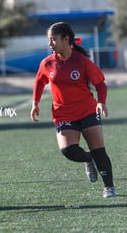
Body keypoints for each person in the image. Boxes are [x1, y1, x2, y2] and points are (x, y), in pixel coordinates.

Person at [30, 22, 116, 198]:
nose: (50, 44)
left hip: (87, 110)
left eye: (53, 39)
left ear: (66, 39)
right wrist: (35, 102)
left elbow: (100, 83)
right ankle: (87, 159)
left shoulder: (82, 61)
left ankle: (109, 187)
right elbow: (39, 81)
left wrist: (102, 102)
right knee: (68, 150)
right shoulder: (47, 64)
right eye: (49, 40)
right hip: (63, 114)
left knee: (98, 149)